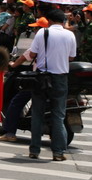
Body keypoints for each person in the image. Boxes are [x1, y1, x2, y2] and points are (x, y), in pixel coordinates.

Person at [24, 9, 77, 160]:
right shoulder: (70, 35)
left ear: (49, 21)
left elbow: (32, 54)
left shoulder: (42, 33)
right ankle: (58, 152)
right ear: (62, 21)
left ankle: (34, 150)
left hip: (42, 77)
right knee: (58, 116)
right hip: (60, 78)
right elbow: (72, 57)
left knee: (37, 114)